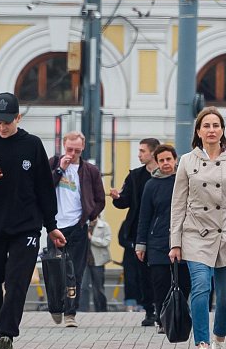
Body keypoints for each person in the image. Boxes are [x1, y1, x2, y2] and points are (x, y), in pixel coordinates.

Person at [0, 92, 66, 349]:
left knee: (17, 282)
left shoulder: (32, 145)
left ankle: (6, 337)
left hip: (26, 226)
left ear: (18, 118)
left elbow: (45, 189)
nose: (2, 126)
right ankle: (1, 325)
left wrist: (52, 226)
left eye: (7, 121)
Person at [169, 107, 226, 349]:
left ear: (223, 130)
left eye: (216, 125)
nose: (211, 130)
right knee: (201, 288)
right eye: (206, 125)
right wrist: (175, 242)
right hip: (196, 233)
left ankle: (219, 341)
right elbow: (178, 204)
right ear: (198, 131)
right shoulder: (186, 161)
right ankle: (202, 345)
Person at [49, 131, 106, 325]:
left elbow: (100, 198)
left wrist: (89, 215)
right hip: (55, 225)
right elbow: (43, 189)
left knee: (76, 270)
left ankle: (70, 313)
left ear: (82, 150)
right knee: (55, 269)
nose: (72, 154)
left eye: (77, 150)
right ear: (63, 146)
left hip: (77, 226)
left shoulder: (90, 170)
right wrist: (60, 170)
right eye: (69, 149)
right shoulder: (53, 163)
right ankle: (56, 306)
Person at [135, 144, 191, 332]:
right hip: (158, 241)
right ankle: (162, 320)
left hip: (184, 241)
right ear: (157, 163)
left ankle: (180, 316)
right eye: (162, 160)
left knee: (184, 282)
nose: (166, 163)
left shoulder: (185, 181)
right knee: (160, 283)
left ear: (176, 160)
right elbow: (144, 216)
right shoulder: (151, 185)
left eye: (169, 159)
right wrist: (141, 244)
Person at [111, 137, 160, 326]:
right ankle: (149, 310)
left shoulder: (166, 174)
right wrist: (117, 198)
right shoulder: (135, 176)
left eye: (142, 151)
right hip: (139, 232)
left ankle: (162, 308)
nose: (138, 154)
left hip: (160, 231)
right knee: (142, 274)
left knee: (160, 273)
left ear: (153, 153)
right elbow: (125, 202)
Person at [83, 214, 111, 312]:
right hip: (84, 261)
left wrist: (92, 238)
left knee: (98, 287)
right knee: (83, 286)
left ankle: (101, 310)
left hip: (98, 261)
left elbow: (106, 242)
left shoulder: (104, 225)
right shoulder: (82, 225)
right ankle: (82, 310)